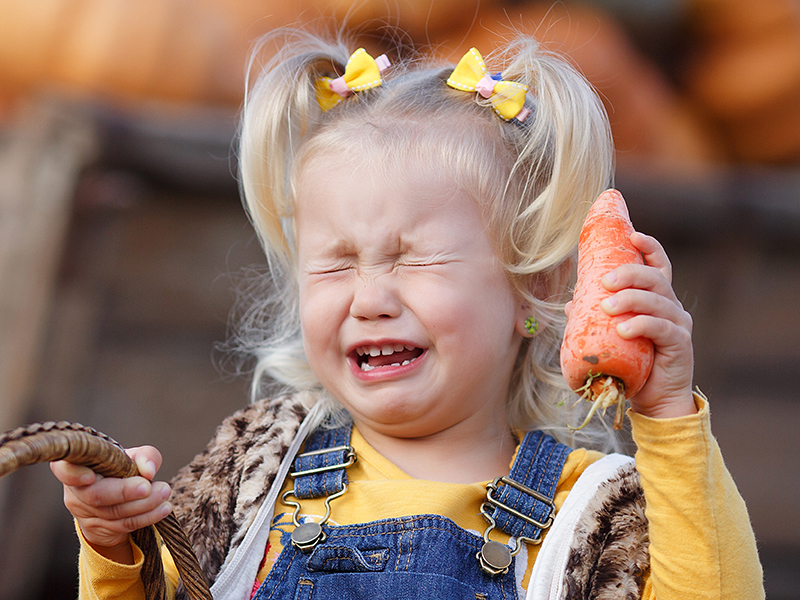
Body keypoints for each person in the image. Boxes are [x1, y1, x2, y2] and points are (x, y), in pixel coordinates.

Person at [51, 29, 764, 600]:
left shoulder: (588, 512)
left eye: (414, 260)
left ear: (531, 286)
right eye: (335, 264)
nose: (370, 298)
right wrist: (116, 550)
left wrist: (668, 416)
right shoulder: (257, 477)